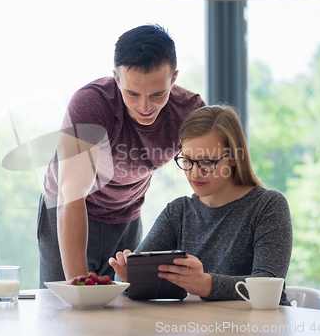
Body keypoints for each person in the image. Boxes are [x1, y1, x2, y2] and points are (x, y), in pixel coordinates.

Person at [37, 24, 206, 287]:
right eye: (132, 93)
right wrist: (81, 288)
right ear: (117, 79)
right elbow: (71, 195)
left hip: (127, 212)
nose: (145, 107)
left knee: (126, 309)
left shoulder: (189, 112)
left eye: (158, 94)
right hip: (70, 209)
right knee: (68, 310)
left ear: (173, 79)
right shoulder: (92, 104)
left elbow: (214, 180)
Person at [109, 105, 293, 304]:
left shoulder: (268, 206)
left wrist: (205, 284)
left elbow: (268, 286)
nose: (195, 173)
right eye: (187, 161)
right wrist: (129, 276)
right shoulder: (177, 212)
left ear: (233, 158)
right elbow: (126, 279)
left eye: (206, 162)